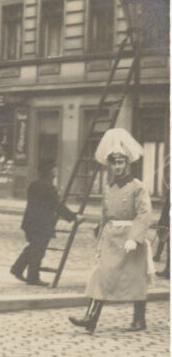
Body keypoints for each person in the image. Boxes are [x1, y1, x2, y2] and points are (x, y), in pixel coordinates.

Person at [70, 128, 152, 333]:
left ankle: (139, 320)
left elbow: (144, 213)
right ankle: (91, 318)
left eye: (121, 162)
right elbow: (106, 214)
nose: (117, 167)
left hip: (130, 240)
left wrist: (135, 237)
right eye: (114, 163)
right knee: (101, 276)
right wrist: (99, 231)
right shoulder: (109, 188)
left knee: (136, 280)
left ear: (127, 163)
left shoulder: (137, 187)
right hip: (111, 239)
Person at [11, 160, 78, 286]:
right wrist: (74, 217)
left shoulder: (34, 184)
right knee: (38, 251)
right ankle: (32, 277)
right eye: (54, 169)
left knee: (33, 247)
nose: (56, 171)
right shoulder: (49, 187)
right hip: (42, 224)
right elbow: (58, 206)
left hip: (30, 222)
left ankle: (18, 269)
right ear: (50, 171)